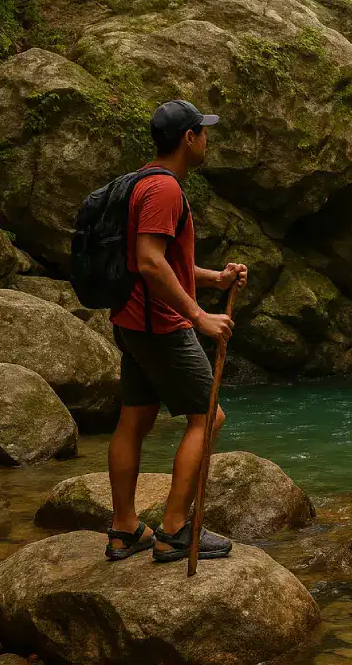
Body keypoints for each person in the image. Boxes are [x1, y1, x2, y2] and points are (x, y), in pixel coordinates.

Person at [104, 99, 249, 563]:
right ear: (189, 138)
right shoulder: (166, 191)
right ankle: (173, 531)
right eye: (204, 131)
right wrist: (198, 317)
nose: (208, 138)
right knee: (209, 418)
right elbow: (149, 262)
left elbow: (165, 263)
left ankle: (125, 529)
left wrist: (215, 279)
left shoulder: (139, 183)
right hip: (161, 326)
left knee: (136, 418)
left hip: (131, 320)